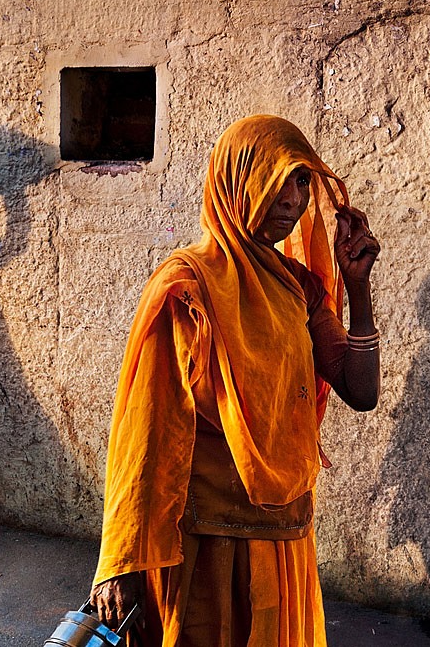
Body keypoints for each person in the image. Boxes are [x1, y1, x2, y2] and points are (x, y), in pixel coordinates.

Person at [89, 115, 381, 646]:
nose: (291, 199)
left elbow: (361, 392)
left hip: (283, 532)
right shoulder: (188, 287)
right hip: (201, 541)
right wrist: (120, 558)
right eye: (276, 179)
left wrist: (357, 289)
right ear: (235, 181)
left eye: (300, 181)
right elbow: (146, 431)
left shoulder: (300, 287)